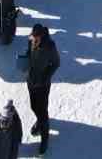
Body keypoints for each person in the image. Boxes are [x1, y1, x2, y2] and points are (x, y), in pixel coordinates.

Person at [24, 22, 61, 152]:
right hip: (31, 80)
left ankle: (45, 137)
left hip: (43, 84)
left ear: (41, 36)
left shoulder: (50, 46)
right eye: (33, 37)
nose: (33, 39)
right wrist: (24, 60)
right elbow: (29, 53)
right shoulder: (31, 41)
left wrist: (46, 76)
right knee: (33, 106)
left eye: (36, 37)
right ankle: (40, 121)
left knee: (43, 111)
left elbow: (56, 63)